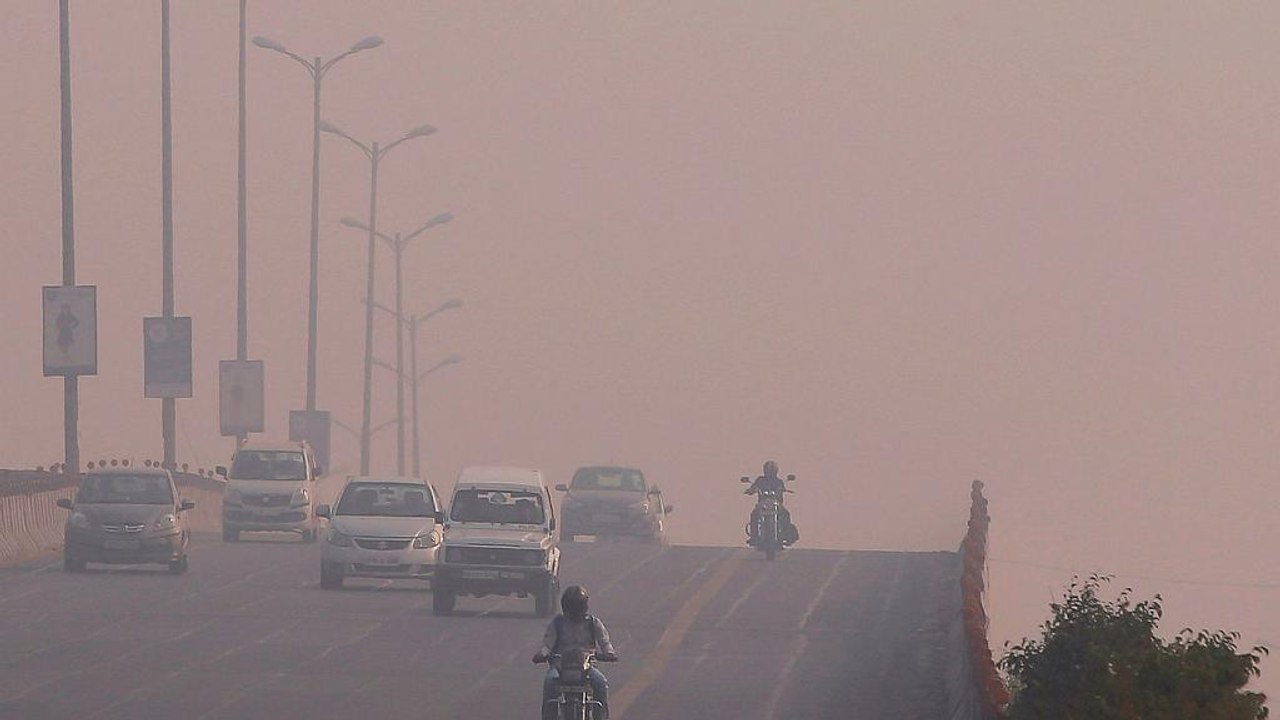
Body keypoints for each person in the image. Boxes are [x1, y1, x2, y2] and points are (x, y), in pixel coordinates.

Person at [532, 585, 617, 720]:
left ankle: (600, 717)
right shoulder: (558, 623)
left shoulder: (593, 623)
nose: (575, 609)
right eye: (572, 605)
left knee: (600, 683)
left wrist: (609, 653)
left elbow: (604, 642)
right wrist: (542, 655)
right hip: (560, 667)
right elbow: (548, 644)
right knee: (549, 683)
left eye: (577, 605)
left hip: (587, 668)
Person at [744, 459, 799, 545]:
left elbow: (782, 488)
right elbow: (754, 487)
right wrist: (751, 490)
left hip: (776, 504)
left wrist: (783, 489)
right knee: (754, 514)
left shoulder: (779, 481)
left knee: (786, 514)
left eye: (772, 470)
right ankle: (754, 537)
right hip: (762, 505)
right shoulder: (760, 480)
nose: (770, 472)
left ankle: (787, 535)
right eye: (769, 470)